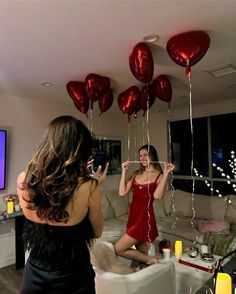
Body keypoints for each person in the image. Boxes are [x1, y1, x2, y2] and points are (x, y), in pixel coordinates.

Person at [17, 115, 109, 294]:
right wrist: (97, 185)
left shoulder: (24, 180)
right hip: (73, 273)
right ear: (78, 150)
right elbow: (97, 232)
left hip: (35, 271)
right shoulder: (88, 187)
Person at [114, 144, 174, 266]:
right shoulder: (136, 173)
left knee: (117, 249)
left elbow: (157, 196)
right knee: (142, 253)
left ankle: (152, 261)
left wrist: (166, 174)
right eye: (140, 156)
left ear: (152, 156)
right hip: (133, 217)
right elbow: (122, 192)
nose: (142, 158)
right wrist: (124, 172)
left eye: (145, 155)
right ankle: (150, 268)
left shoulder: (159, 175)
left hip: (144, 219)